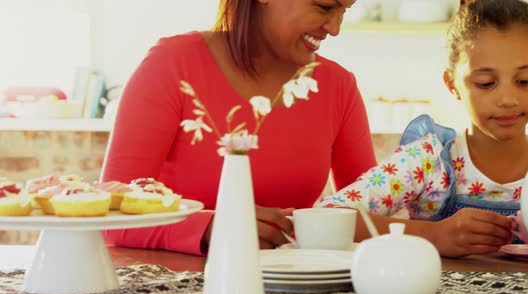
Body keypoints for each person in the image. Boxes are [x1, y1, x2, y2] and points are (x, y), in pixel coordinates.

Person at [100, 0, 376, 255]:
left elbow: (366, 214)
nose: (335, 28)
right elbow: (109, 217)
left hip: (297, 289)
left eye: (345, 11)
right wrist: (209, 228)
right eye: (324, 6)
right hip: (176, 293)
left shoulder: (338, 86)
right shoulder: (172, 65)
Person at [318, 0, 528, 258]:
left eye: (524, 81)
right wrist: (432, 235)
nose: (508, 99)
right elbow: (328, 215)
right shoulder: (428, 160)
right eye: (486, 83)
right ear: (452, 84)